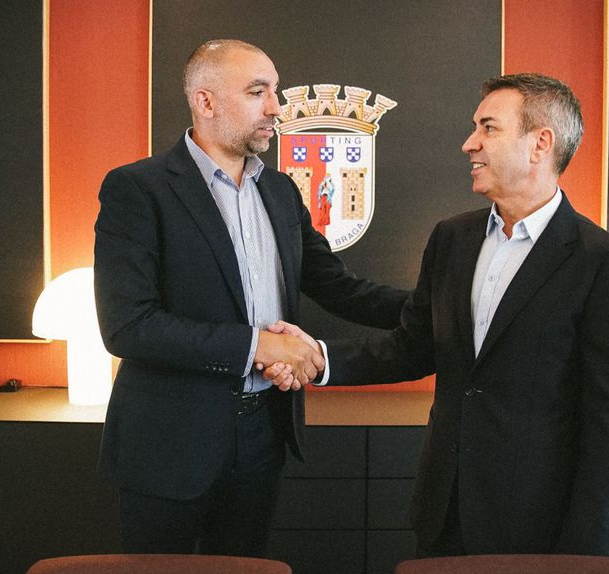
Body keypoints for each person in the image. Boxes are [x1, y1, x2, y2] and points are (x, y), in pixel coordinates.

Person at [268, 73, 609, 557]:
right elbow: (414, 346)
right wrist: (319, 359)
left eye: (488, 128)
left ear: (540, 144)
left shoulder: (605, 262)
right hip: (442, 512)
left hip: (538, 525)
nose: (470, 144)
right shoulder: (452, 237)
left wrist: (586, 546)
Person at [92, 39, 408, 557]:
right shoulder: (137, 189)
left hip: (264, 434)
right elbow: (129, 326)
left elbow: (338, 287)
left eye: (275, 91)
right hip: (169, 444)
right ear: (206, 101)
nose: (275, 108)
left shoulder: (280, 191)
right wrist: (258, 346)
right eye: (258, 92)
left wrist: (442, 304)